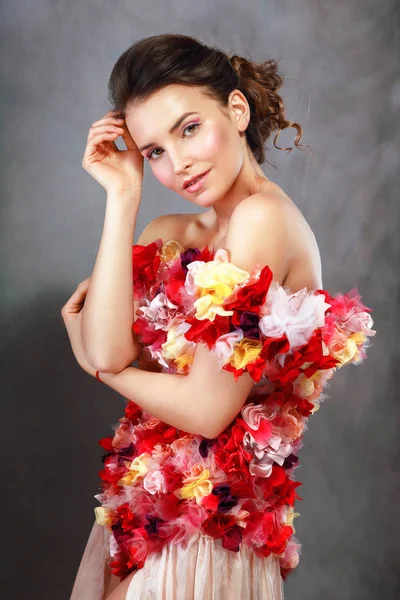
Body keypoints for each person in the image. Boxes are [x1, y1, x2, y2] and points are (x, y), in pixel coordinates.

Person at [62, 33, 376, 600]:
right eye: (154, 150)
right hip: (147, 518)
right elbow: (108, 346)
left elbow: (207, 411)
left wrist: (102, 372)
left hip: (210, 536)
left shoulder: (264, 219)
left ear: (235, 110)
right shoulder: (170, 234)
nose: (177, 163)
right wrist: (122, 198)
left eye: (188, 129)